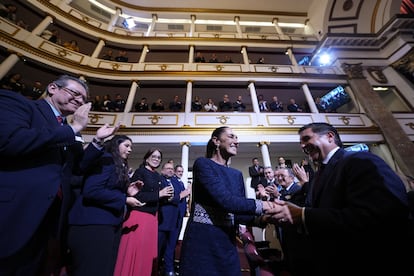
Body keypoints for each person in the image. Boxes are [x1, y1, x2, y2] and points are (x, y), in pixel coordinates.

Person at [0, 74, 119, 275]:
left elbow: (78, 167)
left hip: (51, 218)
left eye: (84, 99)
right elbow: (10, 141)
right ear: (53, 88)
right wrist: (73, 128)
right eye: (75, 93)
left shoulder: (70, 131)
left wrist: (97, 142)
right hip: (15, 209)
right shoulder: (19, 104)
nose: (80, 101)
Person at [268, 122, 411, 276]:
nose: (302, 146)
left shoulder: (360, 161)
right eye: (301, 143)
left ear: (330, 137)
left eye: (307, 139)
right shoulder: (318, 176)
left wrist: (303, 215)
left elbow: (382, 216)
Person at [179, 126, 277, 276]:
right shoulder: (203, 164)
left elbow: (238, 215)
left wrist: (262, 219)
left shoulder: (236, 174)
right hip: (202, 240)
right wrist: (265, 205)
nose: (236, 141)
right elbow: (226, 201)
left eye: (237, 138)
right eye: (231, 137)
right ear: (216, 141)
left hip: (226, 241)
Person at [67, 135, 143, 275]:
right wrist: (124, 199)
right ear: (115, 145)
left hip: (107, 223)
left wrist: (127, 192)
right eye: (126, 146)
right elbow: (92, 190)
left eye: (131, 147)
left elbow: (108, 189)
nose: (130, 150)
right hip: (92, 224)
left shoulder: (117, 164)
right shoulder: (106, 160)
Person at [114, 148, 174, 276]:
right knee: (136, 252)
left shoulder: (157, 176)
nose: (156, 159)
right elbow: (136, 196)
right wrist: (159, 194)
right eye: (153, 156)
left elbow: (156, 198)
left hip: (152, 219)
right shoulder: (140, 172)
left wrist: (165, 197)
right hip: (139, 216)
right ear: (146, 158)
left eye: (159, 157)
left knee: (146, 254)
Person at [158, 163, 190, 276]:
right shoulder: (160, 180)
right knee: (159, 246)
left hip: (176, 218)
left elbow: (177, 195)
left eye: (172, 169)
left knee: (171, 246)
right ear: (162, 170)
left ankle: (168, 269)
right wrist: (181, 195)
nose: (171, 171)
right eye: (168, 169)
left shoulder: (176, 182)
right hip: (163, 219)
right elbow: (170, 197)